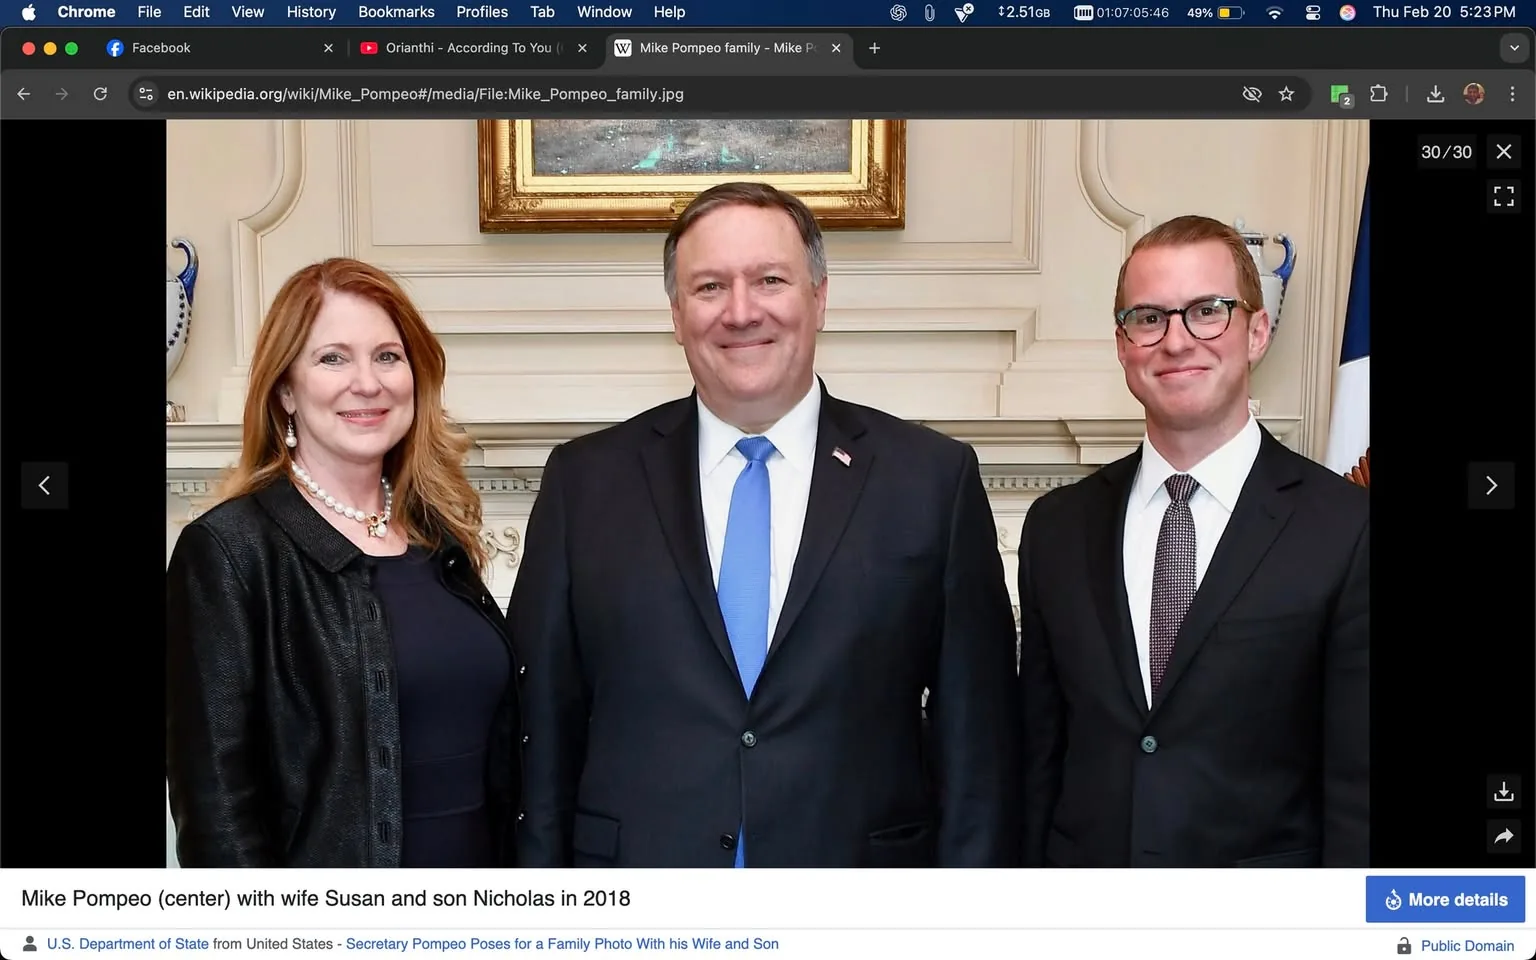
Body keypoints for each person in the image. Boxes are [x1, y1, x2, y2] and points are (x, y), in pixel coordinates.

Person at [509, 182, 1020, 868]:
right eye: (710, 286)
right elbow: (542, 733)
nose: (741, 312)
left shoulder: (931, 482)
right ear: (676, 311)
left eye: (769, 280)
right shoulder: (584, 483)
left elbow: (977, 751)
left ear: (819, 296)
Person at [1016, 215, 1369, 868]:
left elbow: (1358, 784)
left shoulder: (1346, 528)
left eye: (1207, 311)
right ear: (1123, 345)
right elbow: (1040, 759)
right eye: (1149, 318)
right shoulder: (1056, 530)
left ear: (1256, 332)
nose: (1176, 341)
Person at [166, 258, 522, 867]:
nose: (368, 383)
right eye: (332, 358)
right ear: (285, 389)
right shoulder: (229, 551)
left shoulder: (440, 537)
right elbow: (217, 814)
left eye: (388, 356)